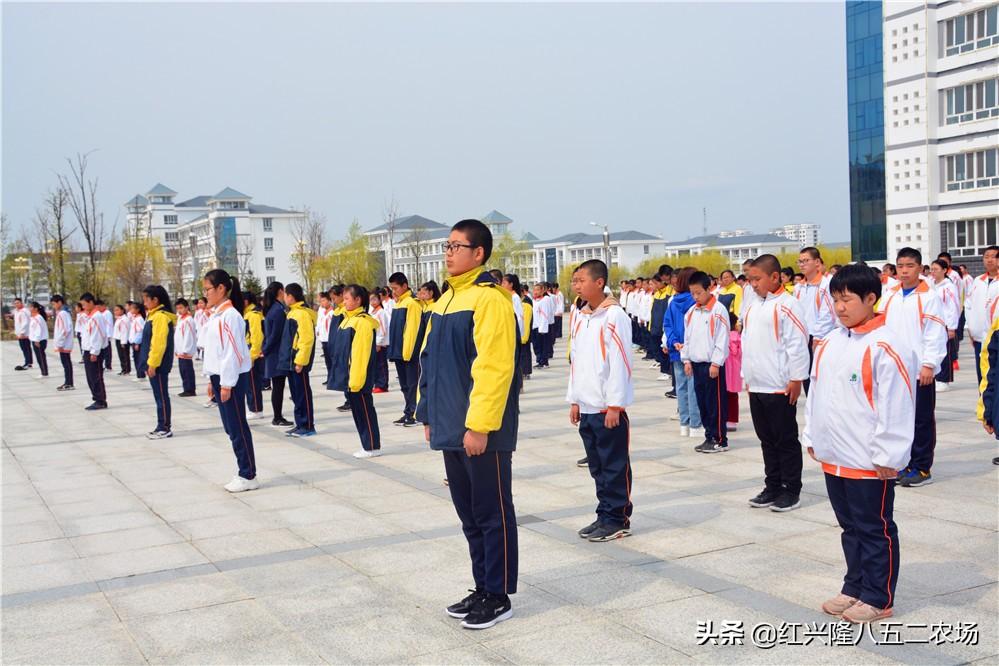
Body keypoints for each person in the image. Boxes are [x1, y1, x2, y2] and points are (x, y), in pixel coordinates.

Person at [417, 219, 518, 630]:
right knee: (469, 514)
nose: (449, 252)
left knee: (492, 512)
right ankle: (481, 585)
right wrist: (427, 413)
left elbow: (494, 368)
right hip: (451, 427)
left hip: (482, 431)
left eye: (457, 246)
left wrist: (478, 426)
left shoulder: (489, 300)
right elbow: (430, 363)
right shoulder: (444, 301)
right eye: (447, 245)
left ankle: (499, 594)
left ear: (479, 253)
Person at [803, 263, 918, 624]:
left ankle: (878, 597)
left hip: (869, 461)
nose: (839, 307)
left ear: (871, 298)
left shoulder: (886, 344)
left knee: (874, 528)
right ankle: (853, 586)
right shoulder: (831, 342)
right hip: (835, 456)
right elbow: (816, 394)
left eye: (847, 299)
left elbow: (897, 403)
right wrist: (813, 436)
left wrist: (890, 453)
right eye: (835, 299)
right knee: (849, 527)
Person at [566, 259, 634, 542]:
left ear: (599, 282)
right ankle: (604, 513)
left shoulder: (614, 316)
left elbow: (620, 362)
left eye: (581, 280)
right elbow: (575, 360)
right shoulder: (580, 315)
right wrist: (575, 399)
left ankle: (617, 517)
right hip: (588, 404)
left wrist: (615, 404)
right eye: (574, 281)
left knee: (614, 464)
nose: (576, 285)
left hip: (608, 407)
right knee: (597, 465)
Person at [742, 254, 810, 512]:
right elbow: (748, 341)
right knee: (766, 439)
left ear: (774, 277)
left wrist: (796, 378)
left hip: (779, 385)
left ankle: (791, 489)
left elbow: (797, 344)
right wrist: (746, 377)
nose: (753, 284)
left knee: (785, 439)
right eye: (750, 280)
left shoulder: (788, 305)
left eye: (757, 279)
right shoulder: (752, 305)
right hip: (757, 384)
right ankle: (772, 485)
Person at [878, 247, 947, 487]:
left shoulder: (929, 296)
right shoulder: (890, 294)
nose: (904, 271)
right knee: (898, 418)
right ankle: (904, 462)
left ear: (919, 268)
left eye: (909, 266)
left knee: (921, 419)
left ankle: (922, 467)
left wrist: (929, 364)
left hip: (919, 371)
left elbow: (935, 334)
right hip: (895, 369)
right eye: (900, 266)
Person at [202, 269, 258, 492]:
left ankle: (248, 474)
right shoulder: (217, 315)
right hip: (220, 377)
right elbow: (214, 351)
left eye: (207, 289)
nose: (205, 294)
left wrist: (226, 383)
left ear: (221, 289)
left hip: (231, 378)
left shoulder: (231, 316)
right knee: (230, 427)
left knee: (237, 427)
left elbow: (232, 353)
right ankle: (244, 470)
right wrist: (211, 378)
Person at [330, 284, 383, 458]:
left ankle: (371, 446)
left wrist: (356, 381)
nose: (343, 302)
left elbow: (360, 355)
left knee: (365, 410)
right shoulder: (347, 319)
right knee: (358, 411)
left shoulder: (362, 322)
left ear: (358, 299)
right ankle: (367, 445)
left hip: (358, 377)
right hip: (350, 376)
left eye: (346, 298)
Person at [682, 271, 731, 453]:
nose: (696, 297)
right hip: (696, 364)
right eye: (692, 293)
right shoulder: (691, 312)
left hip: (712, 365)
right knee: (702, 402)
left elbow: (722, 339)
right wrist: (686, 360)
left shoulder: (718, 311)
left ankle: (720, 438)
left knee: (715, 403)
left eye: (699, 293)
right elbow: (687, 338)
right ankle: (709, 436)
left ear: (709, 288)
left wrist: (716, 363)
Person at [663, 267, 702, 438]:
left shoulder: (673, 302)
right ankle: (696, 424)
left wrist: (673, 342)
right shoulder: (695, 301)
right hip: (691, 350)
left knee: (681, 387)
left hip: (676, 349)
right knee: (693, 387)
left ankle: (684, 424)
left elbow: (668, 325)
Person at [795, 247, 836, 395]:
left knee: (820, 383)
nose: (802, 265)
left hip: (819, 339)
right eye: (799, 261)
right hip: (803, 339)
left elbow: (828, 314)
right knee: (807, 383)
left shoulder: (826, 285)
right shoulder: (798, 287)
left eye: (806, 261)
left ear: (817, 262)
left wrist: (817, 337)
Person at [138, 285, 176, 440]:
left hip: (158, 364)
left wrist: (153, 363)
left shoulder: (160, 316)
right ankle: (161, 425)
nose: (144, 302)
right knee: (158, 395)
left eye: (147, 299)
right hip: (153, 363)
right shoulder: (152, 315)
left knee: (161, 395)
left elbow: (159, 343)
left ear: (156, 299)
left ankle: (164, 427)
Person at [280, 283, 318, 437]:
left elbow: (306, 339)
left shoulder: (301, 314)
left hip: (297, 362)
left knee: (302, 393)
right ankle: (300, 423)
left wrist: (300, 361)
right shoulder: (292, 313)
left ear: (290, 296)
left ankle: (308, 425)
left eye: (285, 295)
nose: (284, 298)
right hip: (291, 361)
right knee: (296, 394)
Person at [387, 272, 423, 426]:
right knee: (404, 385)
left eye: (395, 288)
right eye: (391, 288)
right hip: (399, 352)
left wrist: (407, 353)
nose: (393, 291)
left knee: (412, 384)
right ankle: (408, 411)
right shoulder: (399, 303)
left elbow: (412, 330)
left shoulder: (412, 303)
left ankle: (415, 413)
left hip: (409, 353)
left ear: (404, 286)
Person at [964, 245, 999, 386]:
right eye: (986, 257)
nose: (989, 260)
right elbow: (969, 305)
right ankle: (984, 407)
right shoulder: (978, 281)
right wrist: (971, 329)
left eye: (993, 256)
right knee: (983, 376)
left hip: (996, 337)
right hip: (979, 339)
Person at [262, 282, 292, 427]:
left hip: (274, 353)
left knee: (278, 386)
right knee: (278, 387)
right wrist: (265, 350)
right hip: (276, 354)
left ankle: (278, 416)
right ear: (280, 291)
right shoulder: (278, 310)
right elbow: (275, 335)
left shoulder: (274, 308)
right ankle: (277, 417)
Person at [929, 259, 959, 392]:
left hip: (946, 324)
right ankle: (937, 377)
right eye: (932, 269)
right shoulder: (931, 285)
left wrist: (952, 327)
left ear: (944, 270)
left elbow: (954, 307)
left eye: (936, 269)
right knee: (936, 350)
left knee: (946, 352)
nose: (933, 272)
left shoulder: (948, 287)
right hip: (934, 323)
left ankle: (944, 379)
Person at [78, 293, 108, 410]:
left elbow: (97, 335)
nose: (83, 307)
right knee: (90, 376)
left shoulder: (97, 316)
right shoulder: (90, 316)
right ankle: (96, 398)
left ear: (91, 302)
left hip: (94, 351)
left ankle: (100, 400)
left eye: (84, 304)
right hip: (88, 350)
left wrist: (94, 352)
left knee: (96, 376)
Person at [243, 291, 265, 419]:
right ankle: (253, 407)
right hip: (249, 350)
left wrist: (252, 355)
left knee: (252, 382)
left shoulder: (253, 315)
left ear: (245, 301)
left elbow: (257, 336)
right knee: (250, 382)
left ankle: (256, 409)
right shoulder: (248, 314)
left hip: (252, 352)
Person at [174, 299, 198, 397]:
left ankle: (190, 389)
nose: (179, 310)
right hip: (180, 350)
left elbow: (189, 335)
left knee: (187, 370)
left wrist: (186, 349)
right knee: (183, 371)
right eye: (177, 308)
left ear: (187, 307)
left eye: (181, 308)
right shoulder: (181, 319)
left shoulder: (188, 320)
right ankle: (186, 388)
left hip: (185, 351)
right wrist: (176, 349)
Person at [50, 295, 75, 391]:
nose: (53, 306)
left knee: (66, 363)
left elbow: (65, 329)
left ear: (59, 302)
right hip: (64, 343)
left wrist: (60, 343)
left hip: (64, 344)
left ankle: (69, 383)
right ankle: (68, 382)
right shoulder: (63, 313)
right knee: (66, 363)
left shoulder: (63, 314)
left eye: (54, 304)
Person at [369, 289, 390, 393]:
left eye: (374, 299)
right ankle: (377, 383)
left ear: (379, 299)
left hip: (380, 343)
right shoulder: (373, 312)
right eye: (370, 300)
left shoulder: (381, 312)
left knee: (381, 364)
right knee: (376, 364)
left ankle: (382, 385)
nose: (372, 302)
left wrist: (379, 343)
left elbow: (382, 329)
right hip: (374, 342)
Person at [724, 310, 741, 432]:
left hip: (725, 372)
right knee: (733, 397)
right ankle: (732, 421)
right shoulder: (739, 338)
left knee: (723, 396)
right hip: (735, 374)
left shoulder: (723, 337)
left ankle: (724, 418)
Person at [531, 283, 554, 368]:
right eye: (534, 290)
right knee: (537, 345)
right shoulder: (534, 300)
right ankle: (539, 360)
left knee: (543, 345)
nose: (535, 292)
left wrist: (543, 328)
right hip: (535, 326)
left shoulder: (545, 299)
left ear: (542, 290)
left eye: (538, 290)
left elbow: (545, 314)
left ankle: (544, 362)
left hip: (542, 327)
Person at [28, 302, 49, 378]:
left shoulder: (38, 318)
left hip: (39, 340)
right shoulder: (34, 317)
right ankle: (43, 371)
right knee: (39, 357)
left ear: (36, 308)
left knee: (41, 357)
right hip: (36, 340)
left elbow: (38, 330)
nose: (29, 309)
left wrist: (37, 340)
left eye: (31, 307)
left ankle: (44, 372)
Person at [128, 302, 146, 382]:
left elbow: (140, 331)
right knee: (136, 358)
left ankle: (141, 375)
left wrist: (137, 342)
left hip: (137, 342)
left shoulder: (139, 319)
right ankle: (139, 374)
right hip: (134, 341)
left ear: (137, 310)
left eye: (132, 308)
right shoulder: (136, 318)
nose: (130, 310)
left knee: (138, 359)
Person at [12, 298, 32, 371]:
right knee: (24, 348)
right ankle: (28, 362)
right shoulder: (17, 312)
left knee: (26, 348)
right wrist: (16, 332)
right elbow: (17, 323)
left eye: (18, 303)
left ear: (21, 303)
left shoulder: (23, 311)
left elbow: (25, 323)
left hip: (24, 334)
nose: (16, 304)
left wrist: (22, 332)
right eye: (15, 303)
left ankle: (28, 363)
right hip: (20, 334)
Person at [112, 305, 132, 376]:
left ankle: (126, 370)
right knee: (121, 355)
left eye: (117, 310)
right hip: (118, 339)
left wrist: (123, 342)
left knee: (124, 355)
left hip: (123, 340)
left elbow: (124, 331)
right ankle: (123, 369)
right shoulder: (119, 319)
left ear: (122, 310)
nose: (115, 312)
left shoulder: (124, 319)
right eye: (115, 310)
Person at [96, 300, 114, 371]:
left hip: (106, 335)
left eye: (99, 307)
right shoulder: (101, 313)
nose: (99, 309)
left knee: (107, 352)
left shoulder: (107, 313)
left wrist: (108, 334)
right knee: (104, 351)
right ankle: (104, 365)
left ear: (103, 306)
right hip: (103, 336)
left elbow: (109, 324)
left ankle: (108, 365)